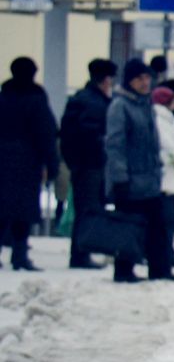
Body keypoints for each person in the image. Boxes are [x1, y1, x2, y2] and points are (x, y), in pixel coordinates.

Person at [106, 58, 174, 283]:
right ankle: (124, 269)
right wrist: (119, 176)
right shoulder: (120, 106)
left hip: (149, 179)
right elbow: (115, 144)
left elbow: (153, 141)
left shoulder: (145, 105)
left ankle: (160, 269)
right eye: (139, 78)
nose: (144, 82)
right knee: (129, 226)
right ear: (129, 80)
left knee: (158, 227)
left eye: (147, 77)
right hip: (130, 179)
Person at [0, 57, 58, 271]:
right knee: (22, 211)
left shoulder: (3, 97)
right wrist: (51, 164)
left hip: (3, 161)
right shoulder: (36, 98)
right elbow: (46, 132)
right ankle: (19, 255)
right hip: (28, 161)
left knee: (3, 208)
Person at [58, 58, 116, 269]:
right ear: (106, 79)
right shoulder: (95, 102)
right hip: (91, 164)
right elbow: (92, 135)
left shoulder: (82, 99)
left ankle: (82, 252)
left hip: (82, 164)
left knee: (85, 208)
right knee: (88, 209)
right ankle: (81, 255)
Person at [151, 86, 174, 267]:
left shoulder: (167, 118)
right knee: (165, 221)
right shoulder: (162, 119)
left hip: (167, 175)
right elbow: (169, 145)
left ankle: (166, 256)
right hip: (166, 175)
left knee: (167, 220)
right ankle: (164, 259)